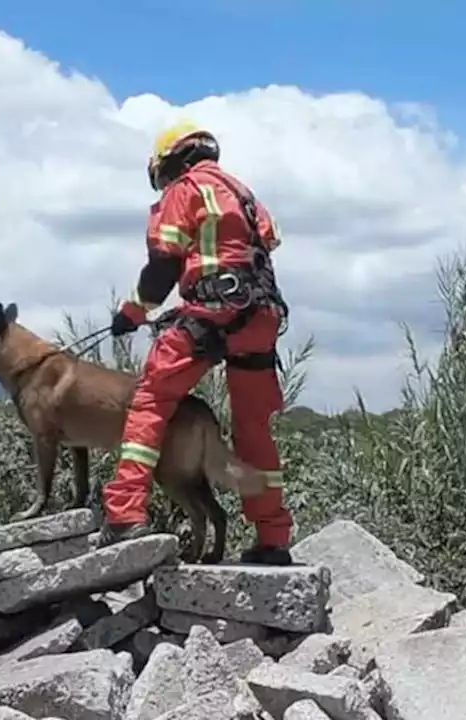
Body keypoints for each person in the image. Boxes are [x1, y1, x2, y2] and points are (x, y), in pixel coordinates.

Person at [97, 120, 294, 566]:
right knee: (253, 427)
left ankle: (125, 514)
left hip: (212, 314)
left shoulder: (184, 190)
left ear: (169, 161)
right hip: (260, 316)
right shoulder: (245, 194)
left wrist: (134, 312)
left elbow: (163, 267)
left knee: (150, 401)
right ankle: (273, 539)